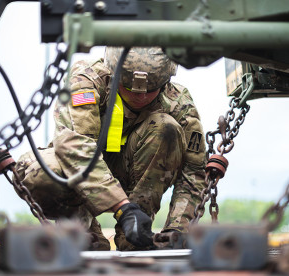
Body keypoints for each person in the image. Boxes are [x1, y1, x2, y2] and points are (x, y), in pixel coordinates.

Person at [14, 47, 206, 251]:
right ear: (114, 75)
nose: (140, 98)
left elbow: (193, 172)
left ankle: (135, 235)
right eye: (129, 89)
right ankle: (82, 235)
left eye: (150, 91)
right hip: (81, 174)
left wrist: (176, 230)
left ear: (165, 82)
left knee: (167, 127)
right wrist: (123, 208)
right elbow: (77, 148)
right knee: (40, 172)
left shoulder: (178, 103)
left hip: (135, 175)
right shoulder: (87, 81)